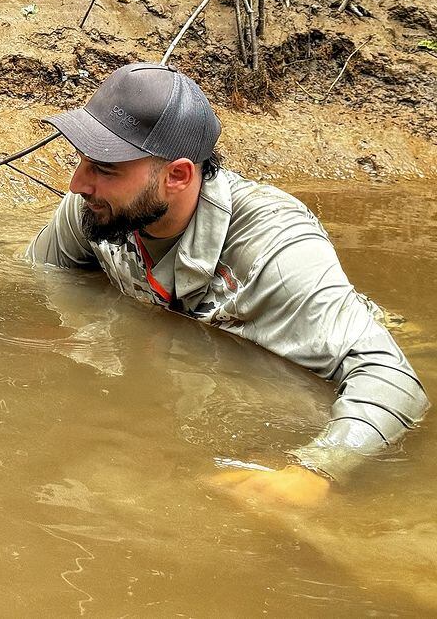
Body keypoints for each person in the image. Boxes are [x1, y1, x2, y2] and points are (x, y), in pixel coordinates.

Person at [26, 62, 429, 506]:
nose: (78, 183)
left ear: (178, 175)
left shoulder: (275, 246)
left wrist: (316, 470)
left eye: (105, 167)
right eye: (81, 160)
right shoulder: (95, 207)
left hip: (326, 329)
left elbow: (392, 378)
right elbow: (38, 280)